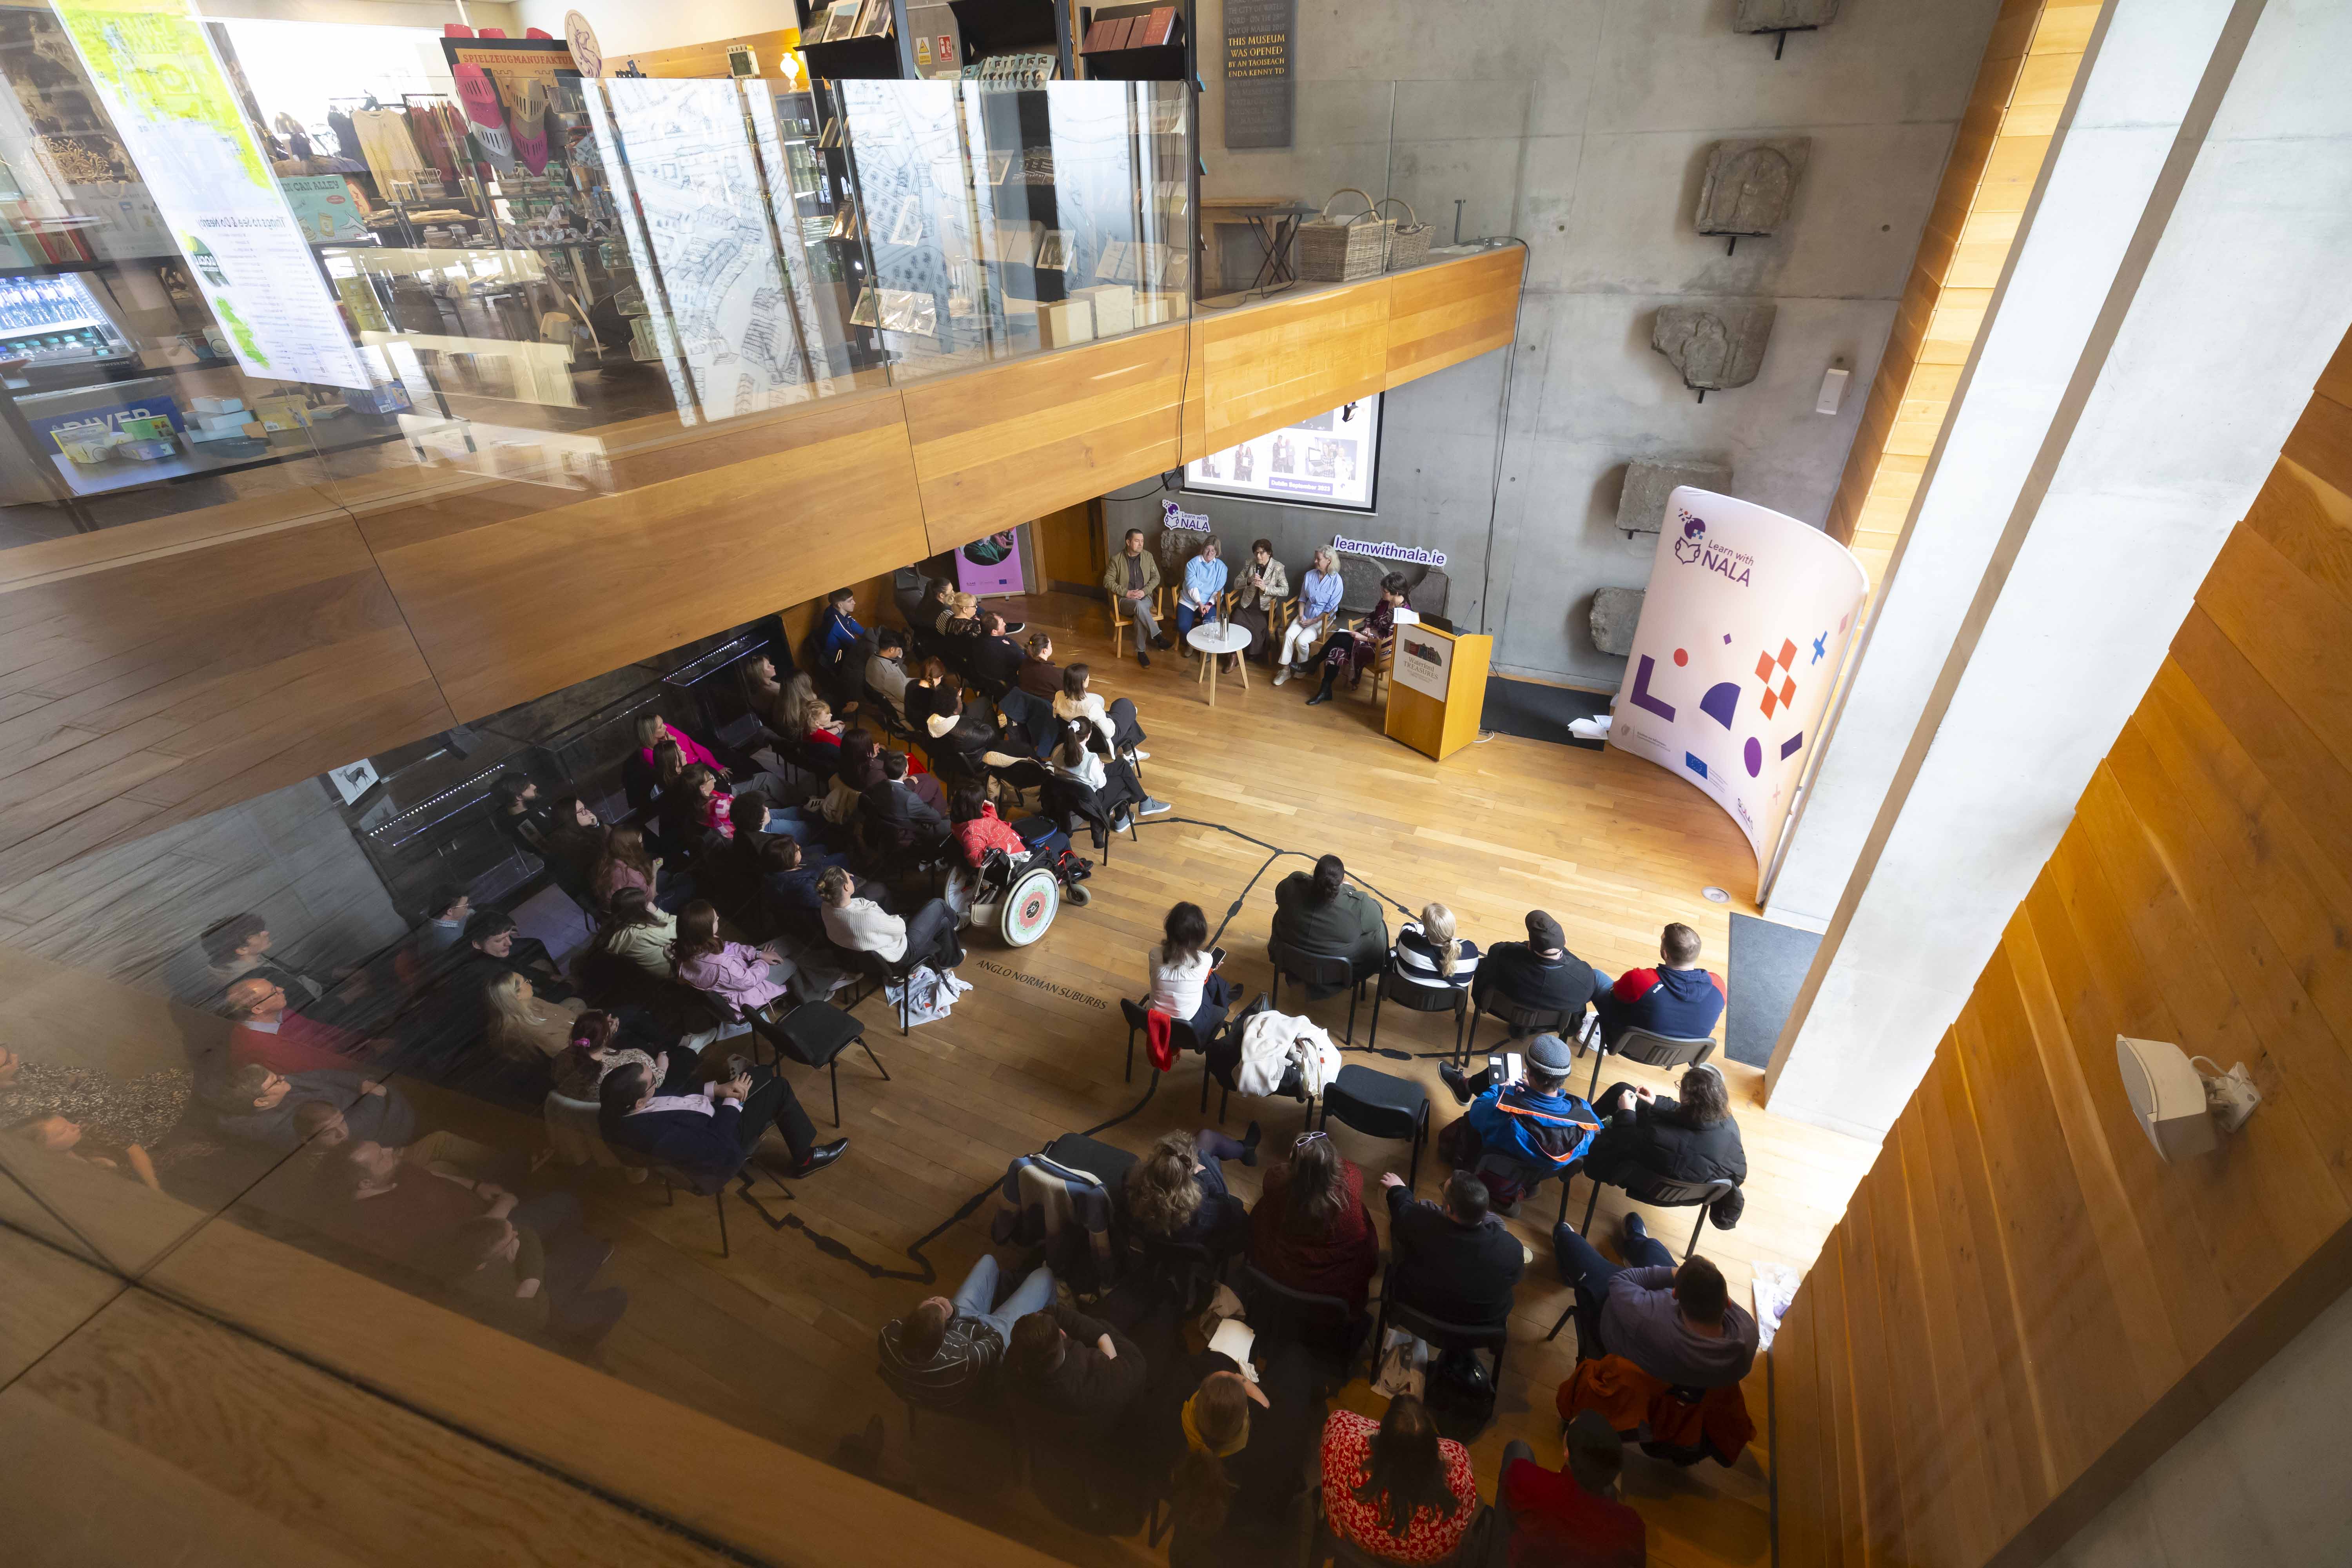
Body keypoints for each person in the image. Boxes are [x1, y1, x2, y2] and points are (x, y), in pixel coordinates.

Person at [1551, 1215, 1757, 1387]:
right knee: (1654, 1249)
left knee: (1568, 1240)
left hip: (1611, 1315)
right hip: (1671, 1371)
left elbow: (1620, 1282)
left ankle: (1565, 1241)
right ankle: (1637, 1241)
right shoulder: (1748, 1334)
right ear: (1727, 1303)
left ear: (1675, 1295)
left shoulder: (1649, 1318)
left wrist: (1673, 1273)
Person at [598, 1055, 847, 1182]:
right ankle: (805, 1159)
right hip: (724, 1138)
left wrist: (717, 1090)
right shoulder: (658, 1135)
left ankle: (752, 1090)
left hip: (705, 1113)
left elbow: (672, 1099)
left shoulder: (616, 1104)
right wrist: (733, 1102)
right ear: (640, 1102)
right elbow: (714, 1144)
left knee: (760, 1072)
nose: (657, 1081)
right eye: (653, 1082)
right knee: (778, 1087)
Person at [877, 1252, 1057, 1410]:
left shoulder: (888, 1335)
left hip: (961, 1334)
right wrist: (963, 1316)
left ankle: (997, 1304)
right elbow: (995, 1339)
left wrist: (954, 1313)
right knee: (1045, 1275)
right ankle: (1052, 1329)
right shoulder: (963, 1360)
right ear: (943, 1334)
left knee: (989, 1262)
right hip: (988, 1348)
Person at [1318, 1396, 1479, 1566]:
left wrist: (1373, 1435)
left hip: (1359, 1548)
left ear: (1382, 1439)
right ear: (1432, 1448)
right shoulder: (1459, 1476)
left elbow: (1339, 1422)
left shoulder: (1343, 1448)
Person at [1439, 1032, 1603, 1198]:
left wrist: (1500, 1090)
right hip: (1533, 1172)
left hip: (1493, 1167)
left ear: (1529, 1072)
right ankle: (1522, 1188)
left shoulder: (1502, 1111)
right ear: (1564, 1077)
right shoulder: (1585, 1118)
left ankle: (1465, 1086)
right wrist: (1533, 1093)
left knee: (1470, 1121)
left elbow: (1476, 1113)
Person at [1584, 1063, 1748, 1225]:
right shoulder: (1728, 1123)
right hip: (1687, 1192)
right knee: (1628, 1094)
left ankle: (1577, 1129)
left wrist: (1627, 1112)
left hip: (1631, 1174)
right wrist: (1656, 1101)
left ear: (1689, 1101)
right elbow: (1685, 1113)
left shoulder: (1658, 1138)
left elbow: (1624, 1140)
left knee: (1619, 1097)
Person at [1248, 1129, 1379, 1314]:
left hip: (1280, 1275)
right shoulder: (1351, 1184)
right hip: (1332, 1293)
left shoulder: (1276, 1180)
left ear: (1293, 1166)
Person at [1497, 1409, 1646, 1568]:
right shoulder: (1633, 1526)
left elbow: (1512, 1490)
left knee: (1518, 1449)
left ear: (1567, 1452)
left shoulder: (1527, 1479)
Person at [1378, 1167, 1524, 1326]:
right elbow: (1514, 1279)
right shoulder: (1512, 1248)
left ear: (1448, 1209)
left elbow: (1403, 1210)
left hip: (1420, 1310)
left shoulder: (1421, 1223)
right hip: (1481, 1324)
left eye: (1443, 1190)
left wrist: (1399, 1188)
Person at [1006, 1302, 1147, 1437]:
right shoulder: (1104, 1378)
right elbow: (1136, 1361)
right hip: (1124, 1397)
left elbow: (1053, 1312)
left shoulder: (1016, 1371)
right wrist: (1103, 1338)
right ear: (1063, 1334)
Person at [209, 1062, 414, 1152]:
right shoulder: (283, 1128)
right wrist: (375, 1096)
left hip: (370, 1093)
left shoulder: (280, 1089)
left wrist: (360, 1084)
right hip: (389, 1124)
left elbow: (323, 1076)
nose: (282, 1077)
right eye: (275, 1081)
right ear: (261, 1102)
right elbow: (352, 1130)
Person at [1595, 920, 1726, 1046]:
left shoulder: (1641, 980)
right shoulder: (1719, 985)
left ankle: (1576, 1024)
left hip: (1627, 1043)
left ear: (1665, 954)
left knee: (1596, 977)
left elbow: (1615, 995)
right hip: (1680, 1054)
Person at [1270, 854, 1388, 992]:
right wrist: (1350, 890)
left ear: (1314, 874)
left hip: (1290, 961)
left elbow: (1280, 896)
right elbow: (1377, 914)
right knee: (1379, 929)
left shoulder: (1291, 886)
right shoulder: (1357, 905)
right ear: (1341, 881)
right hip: (1336, 973)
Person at [1124, 1127, 1254, 1251]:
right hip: (1195, 1241)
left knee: (1209, 1150)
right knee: (1210, 1153)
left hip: (1155, 1237)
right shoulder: (1200, 1204)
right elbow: (1224, 1205)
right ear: (1188, 1174)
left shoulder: (1132, 1180)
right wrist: (1203, 1172)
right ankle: (1245, 1150)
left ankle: (1245, 1150)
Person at [818, 864, 963, 974]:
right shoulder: (866, 917)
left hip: (868, 956)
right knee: (938, 905)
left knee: (942, 923)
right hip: (902, 954)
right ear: (846, 888)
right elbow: (900, 927)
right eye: (849, 877)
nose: (852, 877)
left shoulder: (826, 907)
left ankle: (949, 961)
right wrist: (894, 918)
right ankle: (958, 921)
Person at [1474, 910, 1603, 1027]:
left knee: (1484, 964)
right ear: (1565, 942)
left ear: (1530, 947)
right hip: (1552, 1024)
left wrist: (1523, 946)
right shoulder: (1585, 977)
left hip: (1500, 1009)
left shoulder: (1503, 958)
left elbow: (1496, 949)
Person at [223, 975, 375, 1075]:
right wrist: (370, 1053)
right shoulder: (264, 1047)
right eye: (274, 992)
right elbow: (322, 1070)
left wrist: (364, 1041)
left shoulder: (278, 1013)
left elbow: (319, 1029)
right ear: (258, 1009)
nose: (282, 990)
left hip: (344, 1057)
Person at [670, 900, 791, 1021]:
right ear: (705, 930)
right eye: (716, 920)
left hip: (739, 975)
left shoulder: (688, 947)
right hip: (750, 992)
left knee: (787, 943)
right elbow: (750, 981)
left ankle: (799, 995)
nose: (718, 918)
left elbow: (728, 947)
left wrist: (757, 954)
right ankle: (796, 1003)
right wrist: (762, 960)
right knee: (792, 962)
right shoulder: (722, 966)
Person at [1051, 722, 1167, 844]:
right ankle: (1121, 819)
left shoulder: (1058, 750)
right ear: (1089, 735)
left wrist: (1097, 769)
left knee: (1122, 765)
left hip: (1068, 795)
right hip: (1090, 801)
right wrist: (1100, 771)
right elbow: (1102, 784)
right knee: (1123, 782)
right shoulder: (1091, 759)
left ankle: (1143, 801)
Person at [1306, 572, 1410, 707]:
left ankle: (1315, 664)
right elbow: (1372, 616)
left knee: (1339, 639)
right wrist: (1367, 627)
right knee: (1337, 649)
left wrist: (1365, 638)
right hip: (1368, 636)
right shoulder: (1386, 602)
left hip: (1381, 649)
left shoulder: (1404, 614)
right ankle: (1325, 690)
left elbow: (1390, 640)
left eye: (1385, 591)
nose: (1382, 593)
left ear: (1396, 593)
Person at [1149, 901, 1235, 1040]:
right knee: (1212, 982)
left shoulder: (1154, 954)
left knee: (1209, 981)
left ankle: (1225, 994)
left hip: (1153, 1022)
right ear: (1200, 936)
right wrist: (1209, 970)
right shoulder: (1205, 960)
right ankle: (1225, 997)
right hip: (1190, 1030)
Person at [548, 1011, 660, 1103]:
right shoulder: (637, 1059)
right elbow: (652, 1084)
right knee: (632, 1014)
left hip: (578, 1111)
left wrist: (603, 1031)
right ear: (605, 1037)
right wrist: (662, 1067)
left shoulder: (562, 1057)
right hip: (628, 1103)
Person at [1274, 545, 1344, 685]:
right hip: (1305, 615)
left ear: (1329, 561)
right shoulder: (1310, 575)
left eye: (1319, 559)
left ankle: (1302, 669)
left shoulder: (1337, 582)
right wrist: (1301, 616)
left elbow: (1330, 610)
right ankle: (1285, 670)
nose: (1315, 561)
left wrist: (1313, 621)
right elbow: (1302, 599)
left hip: (1322, 620)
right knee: (1288, 635)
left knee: (1302, 641)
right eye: (1315, 558)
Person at [483, 969, 588, 1063]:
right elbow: (569, 1052)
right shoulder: (530, 1031)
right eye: (526, 982)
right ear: (516, 995)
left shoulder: (529, 1001)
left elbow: (558, 1012)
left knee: (577, 1002)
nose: (531, 981)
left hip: (572, 1035)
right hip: (568, 1055)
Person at [863, 749, 953, 857]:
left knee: (930, 782)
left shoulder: (877, 787)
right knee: (951, 825)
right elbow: (936, 818)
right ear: (906, 770)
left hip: (887, 829)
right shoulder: (910, 799)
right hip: (911, 834)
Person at [1053, 662, 1149, 761]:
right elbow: (1110, 733)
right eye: (1088, 676)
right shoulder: (1091, 707)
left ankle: (1129, 752)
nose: (1089, 677)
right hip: (1100, 743)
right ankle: (1130, 751)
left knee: (1123, 711)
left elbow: (1056, 715)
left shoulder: (1059, 696)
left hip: (1078, 737)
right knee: (1125, 704)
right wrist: (1109, 719)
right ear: (1082, 682)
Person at [1102, 527, 1169, 666]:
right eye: (1137, 541)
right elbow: (1107, 581)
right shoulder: (1117, 559)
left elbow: (1156, 578)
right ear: (1128, 542)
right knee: (1138, 607)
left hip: (1145, 598)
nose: (1141, 544)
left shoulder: (1148, 556)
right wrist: (1127, 593)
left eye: (1142, 541)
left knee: (1140, 612)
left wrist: (1144, 592)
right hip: (1125, 601)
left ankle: (1141, 652)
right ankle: (1157, 636)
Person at [583, 887, 679, 980]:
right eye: (645, 903)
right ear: (640, 910)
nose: (649, 904)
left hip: (653, 976)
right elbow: (682, 929)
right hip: (675, 970)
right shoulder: (644, 931)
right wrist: (658, 912)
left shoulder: (613, 928)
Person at [1392, 902, 1478, 990]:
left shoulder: (1407, 941)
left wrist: (1428, 924)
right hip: (1446, 1000)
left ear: (1427, 929)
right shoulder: (1471, 952)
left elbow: (1411, 927)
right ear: (1453, 926)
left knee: (1395, 950)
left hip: (1406, 989)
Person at [397, 884, 474, 982]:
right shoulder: (449, 940)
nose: (468, 907)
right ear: (450, 911)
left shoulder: (431, 916)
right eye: (465, 905)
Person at [1230, 539, 1289, 663]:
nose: (1258, 556)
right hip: (1246, 606)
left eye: (1262, 553)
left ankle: (1251, 653)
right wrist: (1249, 580)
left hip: (1265, 609)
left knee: (1257, 626)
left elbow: (1285, 590)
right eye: (1256, 553)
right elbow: (1236, 583)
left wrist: (1266, 588)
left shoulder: (1278, 568)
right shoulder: (1250, 564)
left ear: (1269, 553)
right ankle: (1234, 656)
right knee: (1236, 620)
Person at [591, 825, 664, 912]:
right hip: (630, 912)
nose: (642, 845)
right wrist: (654, 871)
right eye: (639, 843)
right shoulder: (632, 875)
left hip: (611, 906)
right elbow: (650, 900)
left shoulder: (606, 859)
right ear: (632, 848)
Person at [1175, 537, 1228, 650]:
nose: (1210, 553)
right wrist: (1200, 604)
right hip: (1189, 601)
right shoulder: (1192, 564)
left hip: (1209, 603)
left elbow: (1218, 590)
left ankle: (1206, 650)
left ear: (1217, 552)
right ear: (1203, 549)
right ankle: (1191, 645)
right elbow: (1192, 586)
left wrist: (1209, 605)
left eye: (1213, 551)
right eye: (1207, 549)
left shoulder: (1222, 567)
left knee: (1210, 626)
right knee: (1182, 626)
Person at [817, 586, 866, 680]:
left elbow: (862, 631)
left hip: (839, 653)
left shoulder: (837, 611)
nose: (854, 603)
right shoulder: (837, 623)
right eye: (850, 601)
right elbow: (855, 646)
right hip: (835, 661)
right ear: (840, 605)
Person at [970, 612, 1025, 691]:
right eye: (1002, 623)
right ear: (994, 631)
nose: (1005, 624)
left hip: (986, 684)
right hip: (1008, 688)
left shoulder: (976, 640)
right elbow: (1025, 662)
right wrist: (1012, 647)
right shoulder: (1008, 648)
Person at [866, 628, 912, 722]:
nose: (900, 653)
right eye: (899, 650)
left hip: (893, 696)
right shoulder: (889, 674)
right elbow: (907, 698)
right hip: (902, 710)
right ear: (892, 649)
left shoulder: (873, 657)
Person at [1015, 633, 1062, 699]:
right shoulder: (1053, 673)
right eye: (1050, 645)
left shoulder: (1024, 663)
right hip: (1048, 707)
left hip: (1026, 703)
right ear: (1045, 651)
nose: (1051, 646)